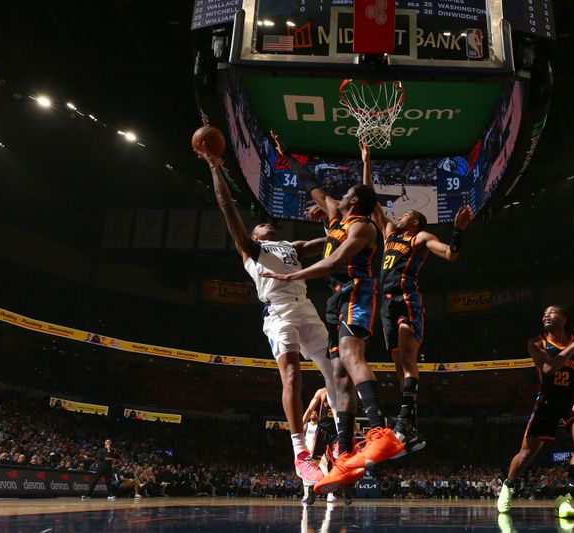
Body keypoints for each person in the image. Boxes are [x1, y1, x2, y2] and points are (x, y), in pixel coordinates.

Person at [267, 132, 414, 495]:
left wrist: (291, 275)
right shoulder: (335, 215)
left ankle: (381, 430)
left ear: (355, 202)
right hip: (336, 299)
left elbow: (334, 260)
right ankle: (346, 452)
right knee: (336, 375)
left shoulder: (363, 227)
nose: (341, 194)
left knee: (351, 356)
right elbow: (311, 185)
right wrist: (288, 156)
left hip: (359, 292)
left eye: (349, 193)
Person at [195, 141, 337, 488]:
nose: (266, 225)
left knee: (337, 375)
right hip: (279, 314)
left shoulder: (292, 247)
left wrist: (323, 224)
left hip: (305, 308)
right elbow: (227, 207)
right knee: (292, 376)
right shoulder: (251, 249)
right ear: (252, 237)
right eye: (259, 226)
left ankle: (343, 445)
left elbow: (335, 239)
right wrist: (215, 166)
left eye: (268, 225)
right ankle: (300, 453)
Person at [361, 142, 474, 450]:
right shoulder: (388, 233)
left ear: (414, 221)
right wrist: (366, 161)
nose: (397, 213)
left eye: (405, 212)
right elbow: (370, 200)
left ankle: (405, 420)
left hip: (406, 297)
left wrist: (458, 230)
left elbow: (450, 255)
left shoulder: (420, 236)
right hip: (384, 303)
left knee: (409, 359)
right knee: (399, 366)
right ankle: (410, 424)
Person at [497, 306, 574, 519]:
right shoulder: (536, 342)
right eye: (544, 313)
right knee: (526, 453)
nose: (546, 315)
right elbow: (549, 368)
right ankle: (508, 485)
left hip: (571, 401)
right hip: (548, 400)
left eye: (552, 312)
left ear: (564, 317)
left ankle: (566, 497)